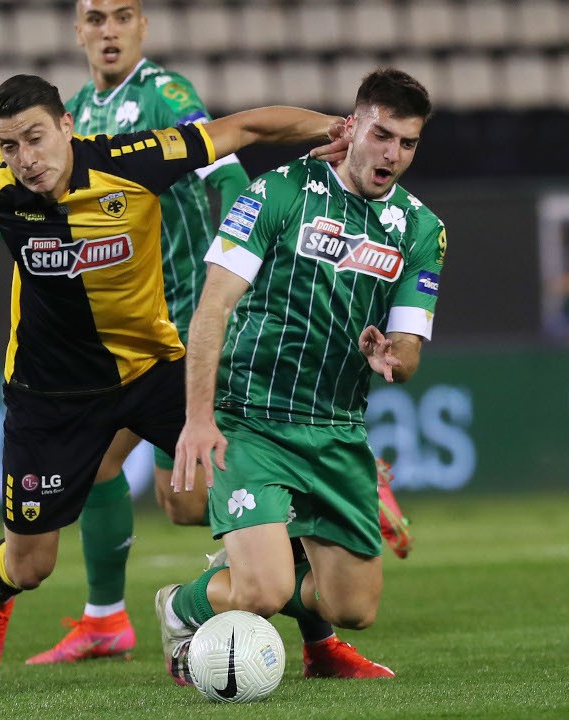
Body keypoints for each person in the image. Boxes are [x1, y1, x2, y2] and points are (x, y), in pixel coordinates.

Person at [0, 0, 413, 671]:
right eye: (10, 146)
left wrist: (332, 127)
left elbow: (243, 128)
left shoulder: (133, 160)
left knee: (254, 473)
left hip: (153, 368)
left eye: (35, 139)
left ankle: (320, 642)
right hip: (49, 393)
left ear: (67, 126)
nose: (25, 159)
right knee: (33, 563)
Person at [155, 67, 443, 684]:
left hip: (336, 427)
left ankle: (237, 572)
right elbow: (213, 308)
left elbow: (409, 353)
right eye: (382, 135)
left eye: (408, 143)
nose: (392, 154)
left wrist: (390, 355)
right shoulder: (278, 192)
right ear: (353, 126)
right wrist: (199, 418)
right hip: (252, 417)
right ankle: (181, 607)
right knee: (263, 591)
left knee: (354, 609)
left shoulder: (423, 230)